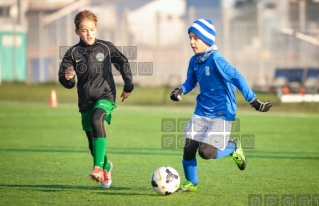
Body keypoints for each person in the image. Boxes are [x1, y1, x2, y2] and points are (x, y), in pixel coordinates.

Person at [170, 19, 272, 192]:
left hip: (222, 112)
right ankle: (191, 183)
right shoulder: (194, 61)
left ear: (207, 39)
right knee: (189, 149)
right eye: (190, 38)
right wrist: (180, 89)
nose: (191, 42)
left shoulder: (216, 60)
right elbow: (190, 81)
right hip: (202, 110)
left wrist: (254, 101)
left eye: (196, 38)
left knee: (206, 152)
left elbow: (237, 77)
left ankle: (233, 148)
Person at [58, 10, 134, 188]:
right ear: (77, 31)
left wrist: (128, 85)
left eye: (92, 29)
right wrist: (69, 79)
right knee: (92, 146)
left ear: (96, 28)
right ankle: (106, 165)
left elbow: (123, 62)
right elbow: (64, 77)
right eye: (84, 30)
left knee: (96, 118)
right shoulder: (72, 53)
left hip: (105, 95)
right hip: (85, 101)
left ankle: (98, 168)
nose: (89, 33)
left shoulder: (106, 48)